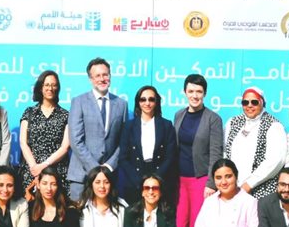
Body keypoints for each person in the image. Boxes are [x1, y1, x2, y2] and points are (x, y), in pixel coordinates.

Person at [173, 73, 224, 227]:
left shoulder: (213, 119)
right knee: (179, 224)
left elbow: (216, 152)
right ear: (184, 92)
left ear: (205, 93)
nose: (195, 95)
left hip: (201, 180)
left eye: (199, 92)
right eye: (191, 91)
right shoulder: (179, 115)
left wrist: (211, 182)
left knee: (197, 224)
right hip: (179, 179)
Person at [67, 57, 128, 199]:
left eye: (105, 75)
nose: (102, 79)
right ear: (91, 79)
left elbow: (123, 141)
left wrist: (108, 167)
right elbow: (75, 140)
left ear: (110, 76)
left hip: (109, 177)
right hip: (82, 175)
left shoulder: (121, 104)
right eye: (97, 76)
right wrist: (95, 168)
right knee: (78, 213)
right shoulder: (79, 101)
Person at [216, 87, 287, 200]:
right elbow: (225, 152)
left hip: (261, 191)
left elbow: (276, 160)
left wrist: (249, 184)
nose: (249, 105)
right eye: (245, 102)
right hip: (232, 190)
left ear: (262, 103)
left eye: (254, 102)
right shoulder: (232, 123)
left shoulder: (273, 126)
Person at [118, 85, 176, 204]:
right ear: (138, 102)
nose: (147, 103)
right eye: (143, 99)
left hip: (160, 176)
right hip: (134, 178)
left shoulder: (166, 125)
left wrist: (156, 179)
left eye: (151, 99)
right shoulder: (128, 126)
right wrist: (138, 180)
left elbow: (170, 156)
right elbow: (123, 158)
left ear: (156, 102)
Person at [18, 70, 71, 191]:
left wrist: (44, 165)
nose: (50, 88)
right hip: (32, 170)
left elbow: (65, 147)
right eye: (47, 85)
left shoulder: (65, 115)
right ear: (40, 88)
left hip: (57, 172)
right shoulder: (29, 112)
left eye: (54, 85)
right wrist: (34, 167)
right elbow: (23, 143)